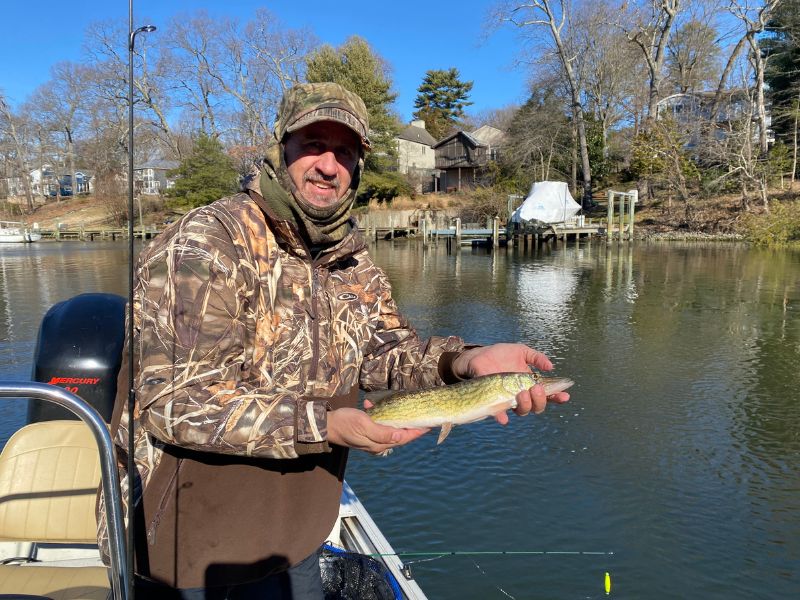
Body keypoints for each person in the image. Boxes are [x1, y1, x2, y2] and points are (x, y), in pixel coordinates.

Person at [98, 82, 569, 599]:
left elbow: (387, 352)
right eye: (313, 145)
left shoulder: (350, 258)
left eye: (344, 151)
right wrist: (323, 424)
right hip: (185, 545)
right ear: (281, 149)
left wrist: (465, 362)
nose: (328, 165)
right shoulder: (206, 242)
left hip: (297, 531)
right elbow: (177, 401)